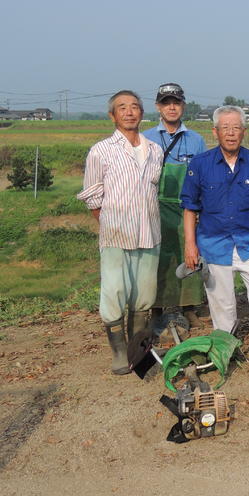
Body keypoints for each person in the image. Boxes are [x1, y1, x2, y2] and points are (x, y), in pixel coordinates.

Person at [180, 105, 249, 372]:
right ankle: (225, 349)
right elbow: (190, 208)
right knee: (221, 301)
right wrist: (190, 245)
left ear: (244, 131)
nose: (231, 133)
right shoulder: (200, 164)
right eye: (225, 128)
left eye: (236, 128)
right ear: (215, 131)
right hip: (213, 243)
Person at [77, 90, 163, 375]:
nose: (129, 112)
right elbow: (93, 197)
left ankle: (137, 350)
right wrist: (109, 224)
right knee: (114, 291)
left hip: (149, 233)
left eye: (134, 107)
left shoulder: (155, 150)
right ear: (112, 116)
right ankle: (118, 351)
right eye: (122, 108)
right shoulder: (101, 151)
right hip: (115, 234)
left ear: (142, 113)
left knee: (144, 293)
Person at [142, 83, 206, 329]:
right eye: (166, 103)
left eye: (176, 102)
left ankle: (189, 308)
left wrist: (200, 209)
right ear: (158, 107)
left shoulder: (196, 140)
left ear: (183, 106)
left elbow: (202, 177)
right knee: (157, 260)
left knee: (189, 256)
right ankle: (156, 309)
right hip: (154, 207)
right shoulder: (145, 138)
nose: (171, 107)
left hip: (186, 209)